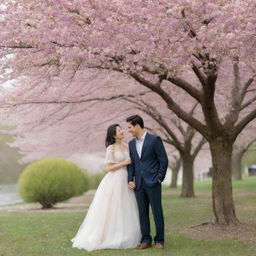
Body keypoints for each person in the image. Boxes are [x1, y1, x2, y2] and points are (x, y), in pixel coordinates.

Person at [71, 124, 141, 251]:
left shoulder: (127, 146)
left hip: (126, 179)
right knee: (112, 207)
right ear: (114, 135)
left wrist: (132, 178)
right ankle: (109, 235)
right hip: (114, 180)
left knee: (126, 206)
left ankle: (126, 235)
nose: (122, 131)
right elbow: (108, 167)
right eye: (119, 130)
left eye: (121, 129)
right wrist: (124, 163)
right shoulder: (111, 148)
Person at [126, 115, 168, 249]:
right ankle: (146, 240)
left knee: (157, 212)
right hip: (138, 183)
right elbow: (132, 164)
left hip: (153, 182)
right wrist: (130, 179)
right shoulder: (131, 144)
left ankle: (160, 240)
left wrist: (159, 177)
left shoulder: (154, 140)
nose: (128, 130)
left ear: (137, 125)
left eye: (130, 127)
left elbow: (163, 159)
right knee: (142, 212)